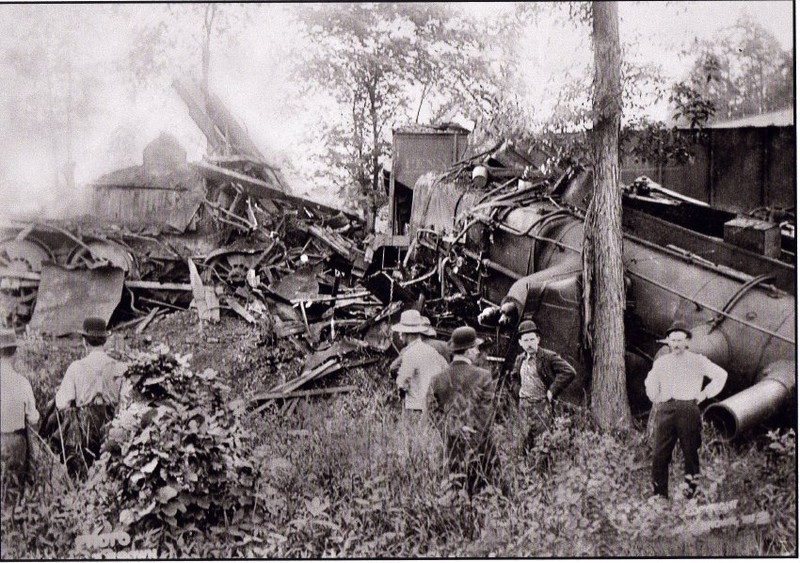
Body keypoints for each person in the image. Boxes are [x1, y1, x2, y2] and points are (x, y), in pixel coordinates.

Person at [645, 321, 728, 499]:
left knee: (690, 451)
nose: (676, 344)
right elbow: (650, 382)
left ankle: (691, 494)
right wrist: (656, 398)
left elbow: (721, 375)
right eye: (673, 340)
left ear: (688, 342)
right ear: (667, 341)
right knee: (660, 453)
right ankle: (659, 495)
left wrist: (704, 394)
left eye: (680, 340)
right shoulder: (662, 362)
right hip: (666, 409)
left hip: (688, 409)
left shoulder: (697, 360)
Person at [426, 326, 498, 495]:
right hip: (481, 447)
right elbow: (487, 414)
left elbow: (432, 412)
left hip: (452, 445)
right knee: (485, 489)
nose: (477, 352)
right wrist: (474, 434)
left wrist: (454, 429)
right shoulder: (483, 375)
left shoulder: (437, 379)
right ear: (469, 351)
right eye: (476, 348)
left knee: (456, 487)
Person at [53, 317, 127, 475]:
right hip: (112, 425)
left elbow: (61, 403)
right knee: (110, 470)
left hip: (84, 429)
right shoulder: (120, 367)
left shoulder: (76, 368)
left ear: (84, 341)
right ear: (105, 341)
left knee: (83, 470)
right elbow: (126, 402)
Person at [511, 320, 576, 452]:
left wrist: (552, 390)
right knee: (522, 443)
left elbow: (569, 372)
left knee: (543, 444)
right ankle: (525, 470)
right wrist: (517, 391)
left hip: (541, 406)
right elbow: (514, 377)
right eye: (526, 340)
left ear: (538, 339)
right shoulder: (520, 359)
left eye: (532, 339)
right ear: (520, 343)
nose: (529, 344)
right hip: (523, 406)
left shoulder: (548, 357)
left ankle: (542, 470)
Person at [0, 328, 40, 497]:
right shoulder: (22, 382)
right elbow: (33, 419)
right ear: (15, 353)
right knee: (14, 490)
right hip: (15, 443)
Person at [391, 310, 449, 423]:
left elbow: (403, 383)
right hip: (434, 407)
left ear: (406, 334)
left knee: (413, 437)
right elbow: (446, 373)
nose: (399, 335)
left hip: (415, 408)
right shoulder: (433, 352)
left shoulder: (409, 354)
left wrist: (400, 391)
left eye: (401, 332)